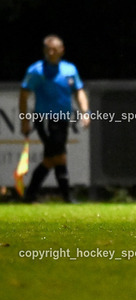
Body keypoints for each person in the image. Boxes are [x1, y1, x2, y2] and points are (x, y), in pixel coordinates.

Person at [20, 34, 90, 202]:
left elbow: (79, 91)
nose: (51, 53)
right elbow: (23, 95)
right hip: (44, 119)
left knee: (52, 158)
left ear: (62, 50)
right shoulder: (36, 70)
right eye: (48, 50)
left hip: (63, 120)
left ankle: (30, 196)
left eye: (54, 49)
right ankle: (67, 197)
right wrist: (24, 120)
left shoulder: (70, 70)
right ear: (44, 51)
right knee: (58, 156)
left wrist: (85, 112)